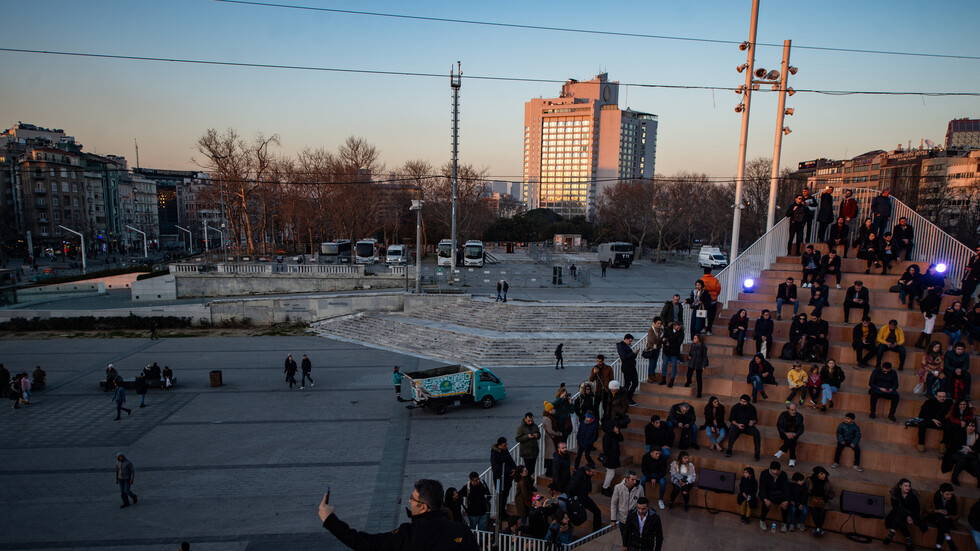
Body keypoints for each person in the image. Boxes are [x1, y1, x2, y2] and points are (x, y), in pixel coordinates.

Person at [319, 478, 480, 550]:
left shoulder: (408, 535)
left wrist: (329, 519)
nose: (409, 502)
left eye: (412, 498)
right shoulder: (462, 531)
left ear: (424, 507)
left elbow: (365, 543)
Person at [884, 478, 927, 550]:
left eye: (909, 486)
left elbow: (917, 509)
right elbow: (896, 507)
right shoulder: (895, 494)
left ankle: (891, 533)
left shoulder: (913, 495)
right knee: (899, 520)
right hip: (898, 513)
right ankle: (910, 541)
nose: (907, 488)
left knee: (899, 519)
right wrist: (907, 516)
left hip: (911, 513)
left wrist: (911, 517)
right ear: (900, 486)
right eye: (905, 486)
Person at [566, 463, 603, 532]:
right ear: (587, 471)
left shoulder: (587, 476)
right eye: (592, 472)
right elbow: (570, 488)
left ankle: (597, 531)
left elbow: (589, 488)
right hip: (578, 499)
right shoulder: (578, 477)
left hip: (584, 498)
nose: (594, 473)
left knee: (597, 511)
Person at [610, 470, 643, 546]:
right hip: (623, 519)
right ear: (626, 479)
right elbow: (614, 504)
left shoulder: (640, 488)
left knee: (634, 540)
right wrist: (613, 519)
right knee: (625, 539)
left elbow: (642, 503)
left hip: (635, 520)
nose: (635, 482)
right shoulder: (618, 488)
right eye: (632, 479)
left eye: (635, 479)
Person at [726, 394, 761, 461]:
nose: (742, 403)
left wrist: (753, 422)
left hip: (747, 426)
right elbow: (731, 419)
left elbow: (755, 420)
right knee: (732, 430)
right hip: (737, 425)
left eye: (744, 402)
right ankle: (729, 450)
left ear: (748, 402)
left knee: (756, 433)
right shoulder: (736, 407)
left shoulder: (752, 408)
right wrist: (738, 425)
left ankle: (757, 454)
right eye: (741, 401)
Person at [759, 461, 791, 532]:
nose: (775, 472)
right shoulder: (764, 473)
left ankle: (784, 523)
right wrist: (765, 499)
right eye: (774, 470)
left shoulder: (783, 475)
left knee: (785, 504)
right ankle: (762, 520)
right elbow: (762, 488)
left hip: (778, 494)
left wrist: (787, 500)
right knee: (765, 504)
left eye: (777, 470)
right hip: (767, 493)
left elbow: (786, 488)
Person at [948, 419, 980, 486]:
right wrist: (968, 449)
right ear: (966, 426)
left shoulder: (977, 435)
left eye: (973, 426)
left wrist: (969, 449)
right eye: (969, 426)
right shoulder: (960, 432)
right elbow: (956, 445)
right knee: (962, 460)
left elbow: (977, 448)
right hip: (957, 452)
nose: (971, 428)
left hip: (970, 454)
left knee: (975, 462)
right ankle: (954, 477)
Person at [928, 483, 959, 550]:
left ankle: (939, 546)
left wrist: (948, 516)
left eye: (951, 494)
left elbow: (956, 514)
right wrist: (938, 511)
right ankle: (949, 541)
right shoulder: (934, 496)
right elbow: (927, 509)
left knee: (941, 523)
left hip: (947, 519)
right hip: (934, 516)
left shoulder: (954, 499)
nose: (949, 496)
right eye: (947, 494)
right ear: (941, 492)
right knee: (941, 517)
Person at [490, 436, 518, 515]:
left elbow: (510, 460)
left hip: (507, 478)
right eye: (504, 445)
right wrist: (509, 471)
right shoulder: (494, 454)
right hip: (500, 478)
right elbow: (497, 467)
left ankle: (503, 511)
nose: (506, 447)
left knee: (505, 495)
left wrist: (514, 469)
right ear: (499, 445)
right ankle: (500, 512)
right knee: (501, 496)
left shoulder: (505, 451)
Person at [806, 466, 835, 536]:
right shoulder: (810, 480)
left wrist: (826, 498)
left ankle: (818, 527)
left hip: (823, 499)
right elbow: (805, 489)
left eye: (824, 474)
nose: (824, 475)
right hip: (812, 499)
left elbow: (832, 494)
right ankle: (818, 527)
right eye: (821, 474)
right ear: (817, 474)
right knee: (813, 508)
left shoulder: (828, 483)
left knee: (823, 510)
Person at [775, 402, 805, 468]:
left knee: (791, 439)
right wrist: (786, 433)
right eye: (792, 410)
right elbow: (779, 426)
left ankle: (783, 450)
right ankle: (792, 459)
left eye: (795, 410)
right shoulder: (783, 415)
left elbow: (801, 428)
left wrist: (795, 434)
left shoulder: (799, 416)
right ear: (788, 409)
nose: (794, 411)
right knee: (791, 441)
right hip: (784, 433)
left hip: (794, 434)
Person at [600, 419, 624, 497]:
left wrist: (618, 432)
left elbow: (621, 439)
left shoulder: (613, 435)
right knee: (610, 474)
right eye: (615, 427)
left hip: (613, 457)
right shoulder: (607, 436)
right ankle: (605, 488)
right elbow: (606, 450)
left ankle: (606, 487)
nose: (617, 428)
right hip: (610, 458)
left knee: (610, 473)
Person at [516, 412, 541, 477]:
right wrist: (527, 436)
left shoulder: (535, 426)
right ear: (525, 419)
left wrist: (536, 435)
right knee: (528, 471)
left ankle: (531, 483)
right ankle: (528, 484)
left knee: (532, 471)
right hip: (526, 453)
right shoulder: (521, 428)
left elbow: (539, 435)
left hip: (534, 452)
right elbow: (517, 439)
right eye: (528, 421)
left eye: (531, 420)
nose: (530, 422)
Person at [661, 321, 684, 387]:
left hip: (674, 352)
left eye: (679, 327)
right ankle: (663, 379)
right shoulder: (668, 330)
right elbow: (664, 337)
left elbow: (678, 343)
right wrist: (665, 341)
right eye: (677, 326)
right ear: (674, 326)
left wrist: (669, 343)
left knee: (674, 365)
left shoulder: (681, 333)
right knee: (664, 364)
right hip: (666, 351)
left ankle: (672, 380)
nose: (678, 328)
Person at [685, 334, 709, 398]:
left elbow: (704, 357)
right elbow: (690, 353)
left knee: (699, 379)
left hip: (699, 363)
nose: (694, 339)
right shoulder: (692, 345)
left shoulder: (703, 347)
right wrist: (688, 357)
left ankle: (699, 392)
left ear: (699, 339)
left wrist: (703, 365)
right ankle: (688, 381)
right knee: (688, 374)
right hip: (692, 362)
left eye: (695, 338)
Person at [618, 334, 639, 406]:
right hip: (627, 367)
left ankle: (628, 398)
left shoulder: (626, 346)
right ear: (626, 339)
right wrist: (633, 353)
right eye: (629, 341)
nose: (630, 343)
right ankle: (626, 398)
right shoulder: (621, 346)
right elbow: (624, 357)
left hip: (631, 366)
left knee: (635, 382)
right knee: (627, 383)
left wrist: (634, 354)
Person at [701, 267, 721, 334]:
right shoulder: (715, 280)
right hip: (713, 300)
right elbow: (718, 289)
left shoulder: (701, 280)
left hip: (704, 301)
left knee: (703, 315)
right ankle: (709, 330)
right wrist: (715, 295)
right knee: (711, 316)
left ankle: (703, 327)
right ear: (710, 272)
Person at [644, 318, 664, 383]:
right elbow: (652, 340)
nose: (659, 325)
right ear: (655, 323)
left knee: (655, 363)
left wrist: (659, 340)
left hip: (657, 348)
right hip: (652, 348)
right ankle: (649, 376)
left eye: (660, 323)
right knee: (651, 363)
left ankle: (653, 375)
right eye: (658, 323)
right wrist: (660, 340)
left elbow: (661, 337)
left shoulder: (661, 330)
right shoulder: (651, 329)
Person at [542, 402, 560, 476]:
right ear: (548, 410)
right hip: (550, 438)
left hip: (550, 438)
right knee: (551, 454)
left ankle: (549, 471)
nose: (553, 410)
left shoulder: (548, 417)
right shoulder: (548, 419)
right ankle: (549, 472)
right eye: (551, 409)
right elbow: (550, 431)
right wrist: (558, 434)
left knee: (550, 454)